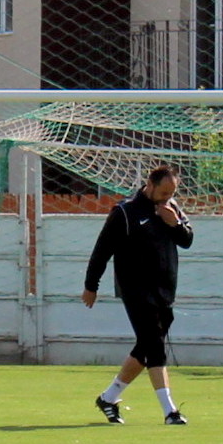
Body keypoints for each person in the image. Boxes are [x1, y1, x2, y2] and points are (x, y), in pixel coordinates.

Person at [82, 164, 196, 426]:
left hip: (165, 290)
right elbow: (102, 251)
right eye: (164, 191)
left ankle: (108, 398)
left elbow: (187, 240)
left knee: (146, 347)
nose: (168, 196)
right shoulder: (125, 212)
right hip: (135, 289)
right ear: (151, 185)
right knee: (154, 345)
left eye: (172, 192)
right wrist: (91, 285)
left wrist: (174, 223)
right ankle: (169, 411)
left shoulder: (172, 209)